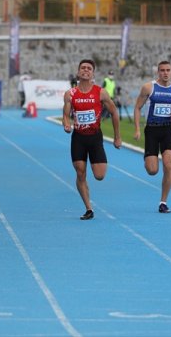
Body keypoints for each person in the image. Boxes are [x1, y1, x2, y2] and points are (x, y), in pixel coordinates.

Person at [62, 59, 122, 221]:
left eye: (89, 68)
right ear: (78, 72)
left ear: (93, 73)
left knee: (99, 175)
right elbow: (65, 115)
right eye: (83, 68)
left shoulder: (101, 92)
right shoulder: (70, 94)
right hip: (78, 138)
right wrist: (66, 124)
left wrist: (117, 137)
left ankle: (89, 193)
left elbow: (114, 113)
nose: (86, 70)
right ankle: (88, 208)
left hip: (95, 137)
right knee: (80, 172)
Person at [133, 60, 171, 214]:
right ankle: (148, 159)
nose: (165, 73)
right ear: (158, 72)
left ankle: (163, 202)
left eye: (168, 70)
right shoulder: (149, 88)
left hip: (167, 130)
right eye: (162, 70)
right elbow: (137, 107)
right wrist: (137, 129)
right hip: (152, 130)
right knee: (152, 170)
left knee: (168, 165)